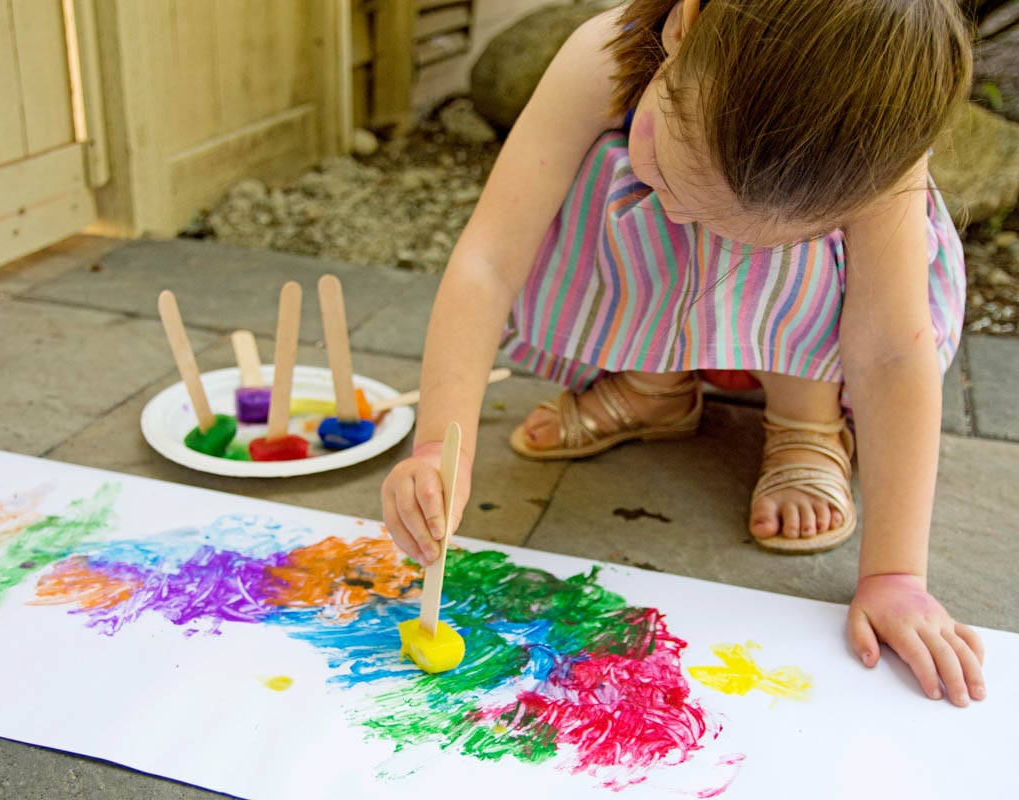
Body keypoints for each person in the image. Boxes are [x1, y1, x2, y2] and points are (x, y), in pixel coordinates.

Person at [380, 0, 987, 706]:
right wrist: (435, 448)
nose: (675, 212)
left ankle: (805, 418)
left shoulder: (875, 143)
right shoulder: (603, 56)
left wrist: (895, 577)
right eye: (667, 166)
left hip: (799, 320)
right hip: (653, 275)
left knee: (772, 241)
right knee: (610, 190)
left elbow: (888, 350)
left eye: (731, 220)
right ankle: (654, 381)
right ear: (683, 27)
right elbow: (489, 260)